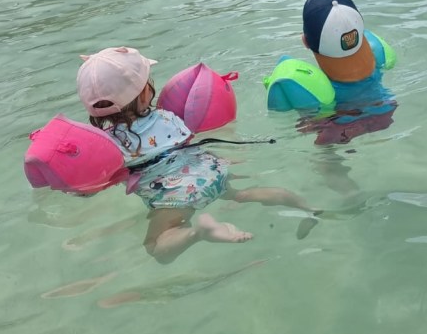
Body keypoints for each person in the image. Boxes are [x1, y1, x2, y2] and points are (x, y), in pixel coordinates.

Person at [76, 47, 315, 263]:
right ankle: (308, 208)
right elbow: (187, 141)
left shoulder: (108, 145)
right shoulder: (167, 116)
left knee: (156, 247)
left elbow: (95, 183)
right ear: (143, 94)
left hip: (173, 195)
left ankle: (198, 233)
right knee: (241, 194)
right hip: (210, 170)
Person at [297, 0, 398, 191]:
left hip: (338, 127)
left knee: (312, 136)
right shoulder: (377, 56)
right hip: (383, 113)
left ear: (305, 41)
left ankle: (348, 192)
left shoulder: (315, 82)